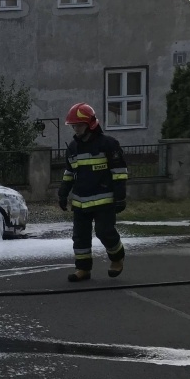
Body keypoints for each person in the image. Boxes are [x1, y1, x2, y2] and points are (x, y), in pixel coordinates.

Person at [58, 103, 129, 282]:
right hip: (80, 201)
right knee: (80, 237)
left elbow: (119, 172)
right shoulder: (73, 147)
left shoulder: (108, 144)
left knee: (105, 231)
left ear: (90, 123)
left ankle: (117, 258)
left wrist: (120, 197)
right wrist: (63, 193)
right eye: (73, 126)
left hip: (104, 200)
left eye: (79, 125)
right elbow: (69, 173)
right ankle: (82, 269)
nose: (76, 129)